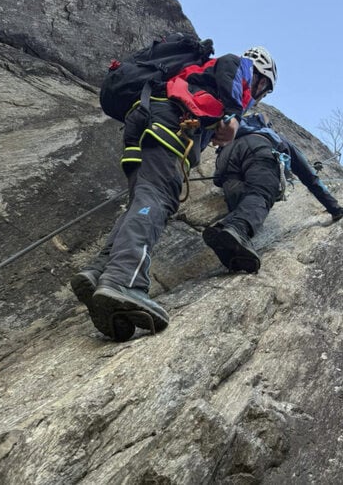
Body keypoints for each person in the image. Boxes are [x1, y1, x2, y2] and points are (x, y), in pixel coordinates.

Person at [70, 46, 278, 341]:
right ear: (260, 73)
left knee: (141, 200)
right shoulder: (238, 65)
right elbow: (231, 86)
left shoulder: (202, 76)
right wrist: (232, 120)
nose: (260, 95)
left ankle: (99, 272)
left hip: (144, 119)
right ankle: (123, 280)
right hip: (168, 122)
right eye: (264, 88)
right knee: (157, 197)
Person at [203, 113, 343, 273]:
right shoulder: (273, 136)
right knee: (261, 192)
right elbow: (309, 176)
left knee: (242, 203)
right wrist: (335, 208)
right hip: (257, 148)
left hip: (224, 159)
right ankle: (237, 228)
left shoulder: (237, 131)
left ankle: (228, 241)